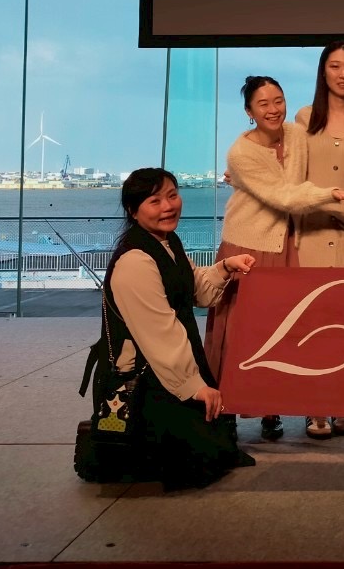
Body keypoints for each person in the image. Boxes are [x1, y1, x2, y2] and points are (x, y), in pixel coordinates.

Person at [205, 75, 344, 443]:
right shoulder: (240, 152)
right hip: (249, 244)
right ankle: (233, 408)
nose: (273, 109)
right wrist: (330, 194)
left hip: (287, 244)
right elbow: (284, 196)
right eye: (263, 104)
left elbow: (325, 154)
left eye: (278, 100)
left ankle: (277, 404)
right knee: (243, 332)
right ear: (249, 111)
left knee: (284, 331)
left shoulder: (295, 134)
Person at [103, 168, 257, 490]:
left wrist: (225, 267)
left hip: (171, 362)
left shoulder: (166, 242)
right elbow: (159, 333)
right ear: (133, 210)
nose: (168, 206)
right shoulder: (134, 261)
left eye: (172, 196)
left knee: (214, 443)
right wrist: (192, 385)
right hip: (148, 374)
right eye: (154, 201)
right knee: (195, 461)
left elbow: (196, 289)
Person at [293, 40, 344, 440]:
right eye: (335, 66)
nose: (343, 74)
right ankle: (314, 406)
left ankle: (343, 403)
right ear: (323, 71)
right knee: (312, 323)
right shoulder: (305, 117)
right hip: (310, 232)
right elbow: (293, 174)